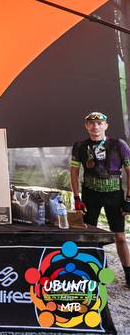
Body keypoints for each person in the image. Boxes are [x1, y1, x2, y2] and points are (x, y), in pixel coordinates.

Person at [70, 111, 130, 287]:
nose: (95, 126)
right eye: (91, 123)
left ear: (106, 126)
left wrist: (128, 199)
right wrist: (76, 197)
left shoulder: (119, 144)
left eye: (99, 123)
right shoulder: (80, 146)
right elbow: (73, 173)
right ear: (86, 126)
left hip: (114, 195)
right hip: (90, 195)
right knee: (89, 236)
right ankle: (90, 273)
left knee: (120, 237)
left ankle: (128, 274)